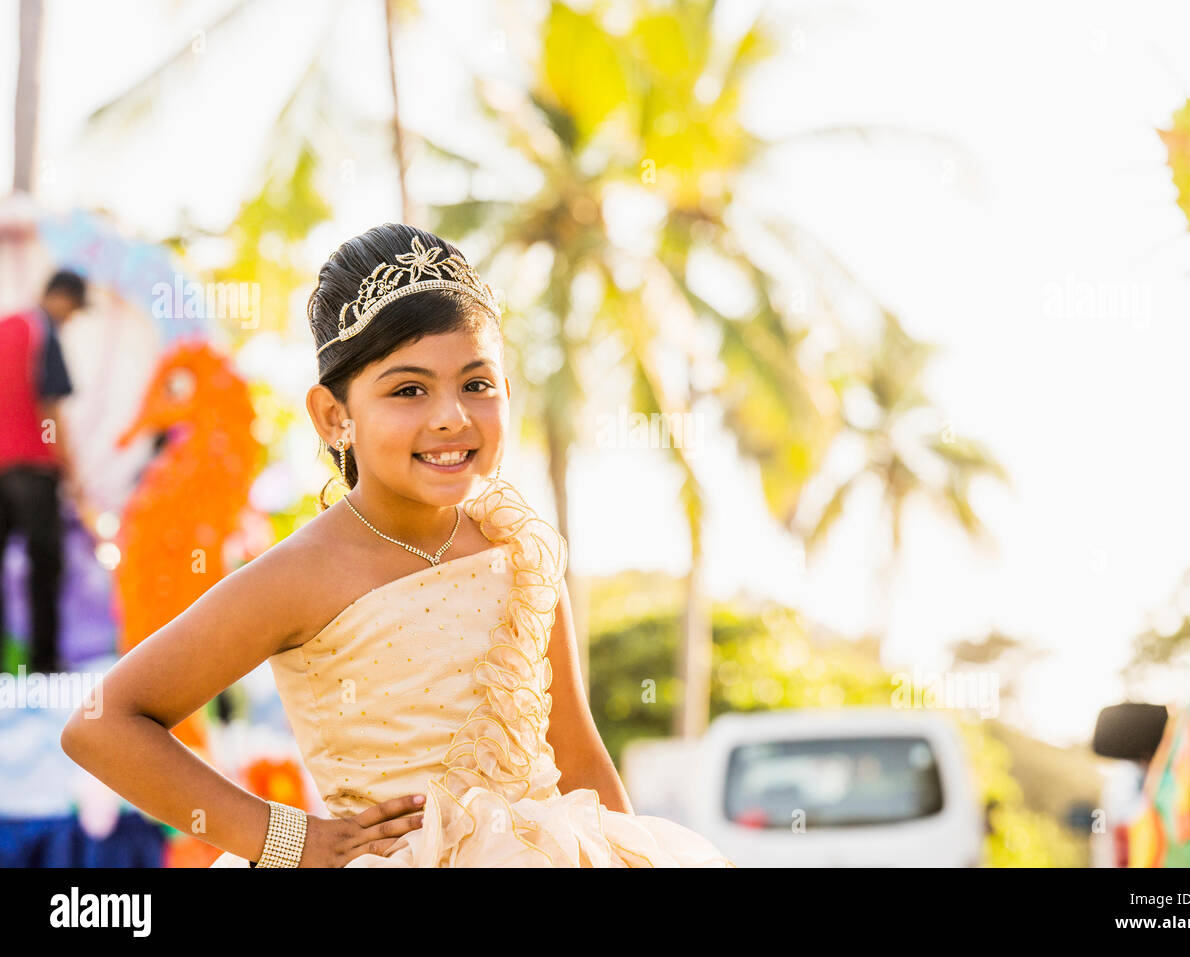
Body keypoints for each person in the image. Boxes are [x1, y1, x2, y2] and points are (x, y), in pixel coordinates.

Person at [62, 224, 735, 867]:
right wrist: (288, 839)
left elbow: (581, 757)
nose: (451, 415)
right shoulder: (302, 573)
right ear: (335, 416)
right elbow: (103, 724)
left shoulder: (521, 548)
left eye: (477, 383)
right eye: (408, 389)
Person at [0, 270, 87, 674]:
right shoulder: (42, 330)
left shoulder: (7, 328)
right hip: (34, 470)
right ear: (62, 297)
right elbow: (51, 407)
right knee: (45, 566)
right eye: (72, 311)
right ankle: (44, 664)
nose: (70, 320)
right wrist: (70, 470)